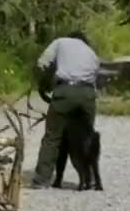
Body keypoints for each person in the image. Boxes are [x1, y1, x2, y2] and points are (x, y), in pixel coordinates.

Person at [31, 30, 100, 189]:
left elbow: (42, 64)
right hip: (88, 96)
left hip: (64, 93)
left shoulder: (60, 42)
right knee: (85, 137)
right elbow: (94, 80)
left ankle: (41, 180)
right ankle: (90, 179)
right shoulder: (92, 53)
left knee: (52, 137)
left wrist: (43, 84)